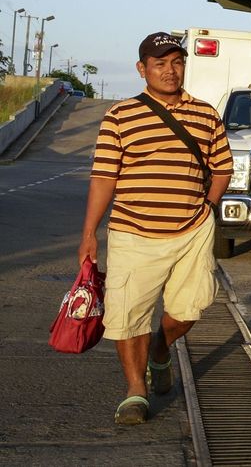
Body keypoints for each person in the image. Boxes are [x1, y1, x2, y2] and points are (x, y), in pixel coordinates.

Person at [77, 32, 233, 425]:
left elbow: (222, 168)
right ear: (142, 68)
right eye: (160, 63)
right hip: (132, 230)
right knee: (128, 315)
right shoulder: (120, 116)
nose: (170, 70)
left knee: (189, 309)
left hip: (191, 230)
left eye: (176, 62)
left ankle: (161, 349)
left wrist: (208, 206)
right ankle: (135, 390)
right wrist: (89, 233)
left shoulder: (205, 114)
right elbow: (104, 177)